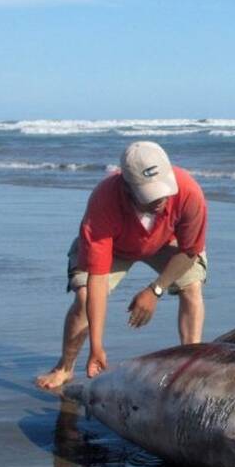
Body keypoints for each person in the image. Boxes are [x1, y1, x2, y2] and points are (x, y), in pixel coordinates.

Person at [35, 141, 208, 389]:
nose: (159, 199)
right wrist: (96, 347)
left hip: (166, 244)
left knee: (192, 288)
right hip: (115, 247)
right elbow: (97, 276)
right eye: (150, 194)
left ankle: (191, 367)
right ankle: (65, 367)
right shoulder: (104, 201)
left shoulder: (189, 192)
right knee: (84, 298)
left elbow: (190, 251)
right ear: (126, 187)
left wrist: (155, 289)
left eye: (163, 190)